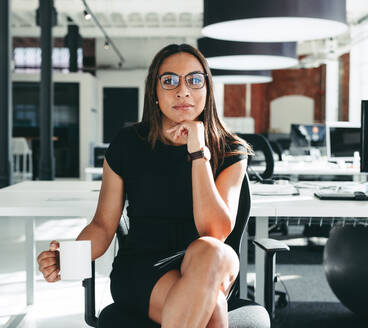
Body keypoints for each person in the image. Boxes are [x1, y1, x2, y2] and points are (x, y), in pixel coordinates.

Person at [37, 43, 252, 328]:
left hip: (212, 263)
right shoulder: (128, 144)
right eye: (170, 80)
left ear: (207, 90)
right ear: (154, 91)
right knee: (211, 310)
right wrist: (68, 256)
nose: (183, 91)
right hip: (144, 266)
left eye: (195, 80)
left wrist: (198, 150)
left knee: (209, 250)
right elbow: (102, 225)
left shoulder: (230, 149)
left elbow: (214, 231)